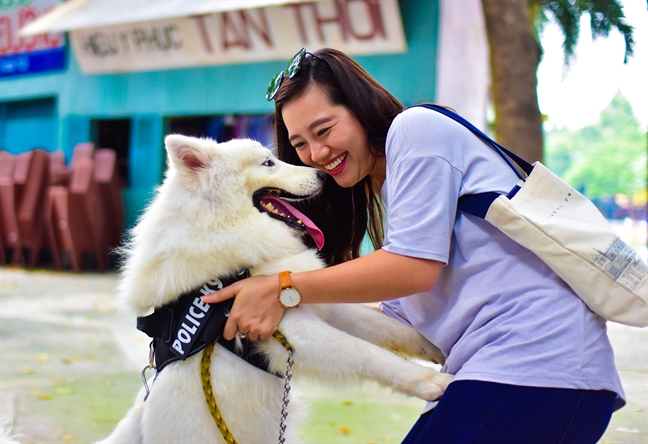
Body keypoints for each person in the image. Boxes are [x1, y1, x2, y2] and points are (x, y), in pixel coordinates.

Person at [201, 47, 625, 443]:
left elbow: (412, 269)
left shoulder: (415, 129)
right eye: (300, 144)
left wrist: (282, 286)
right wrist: (273, 304)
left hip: (539, 365)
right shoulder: (388, 189)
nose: (316, 152)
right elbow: (394, 314)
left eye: (324, 129)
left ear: (361, 108)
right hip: (519, 374)